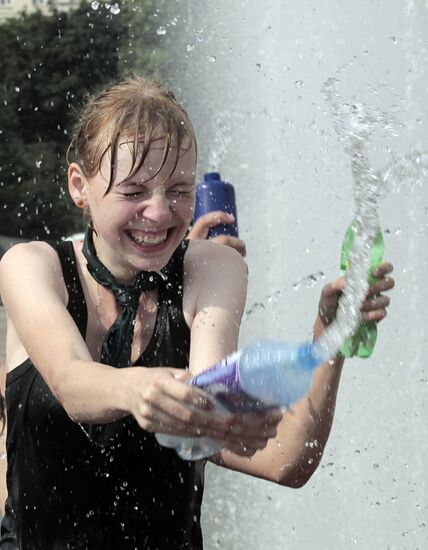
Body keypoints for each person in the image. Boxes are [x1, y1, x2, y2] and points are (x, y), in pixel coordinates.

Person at [0, 77, 394, 549]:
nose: (161, 212)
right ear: (79, 186)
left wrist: (328, 337)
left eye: (179, 190)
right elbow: (70, 382)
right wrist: (145, 389)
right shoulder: (31, 266)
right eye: (134, 192)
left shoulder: (213, 268)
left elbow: (279, 454)